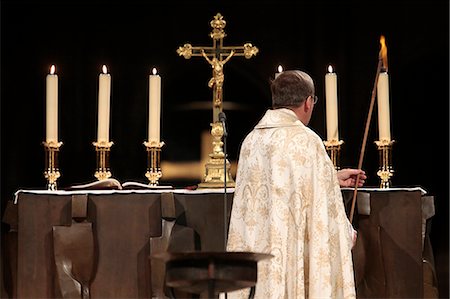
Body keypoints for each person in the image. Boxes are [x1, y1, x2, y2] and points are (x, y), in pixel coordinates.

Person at [226, 70, 366, 298]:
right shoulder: (307, 142)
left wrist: (332, 177)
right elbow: (322, 213)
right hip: (292, 253)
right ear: (308, 102)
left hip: (260, 257)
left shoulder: (251, 141)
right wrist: (346, 232)